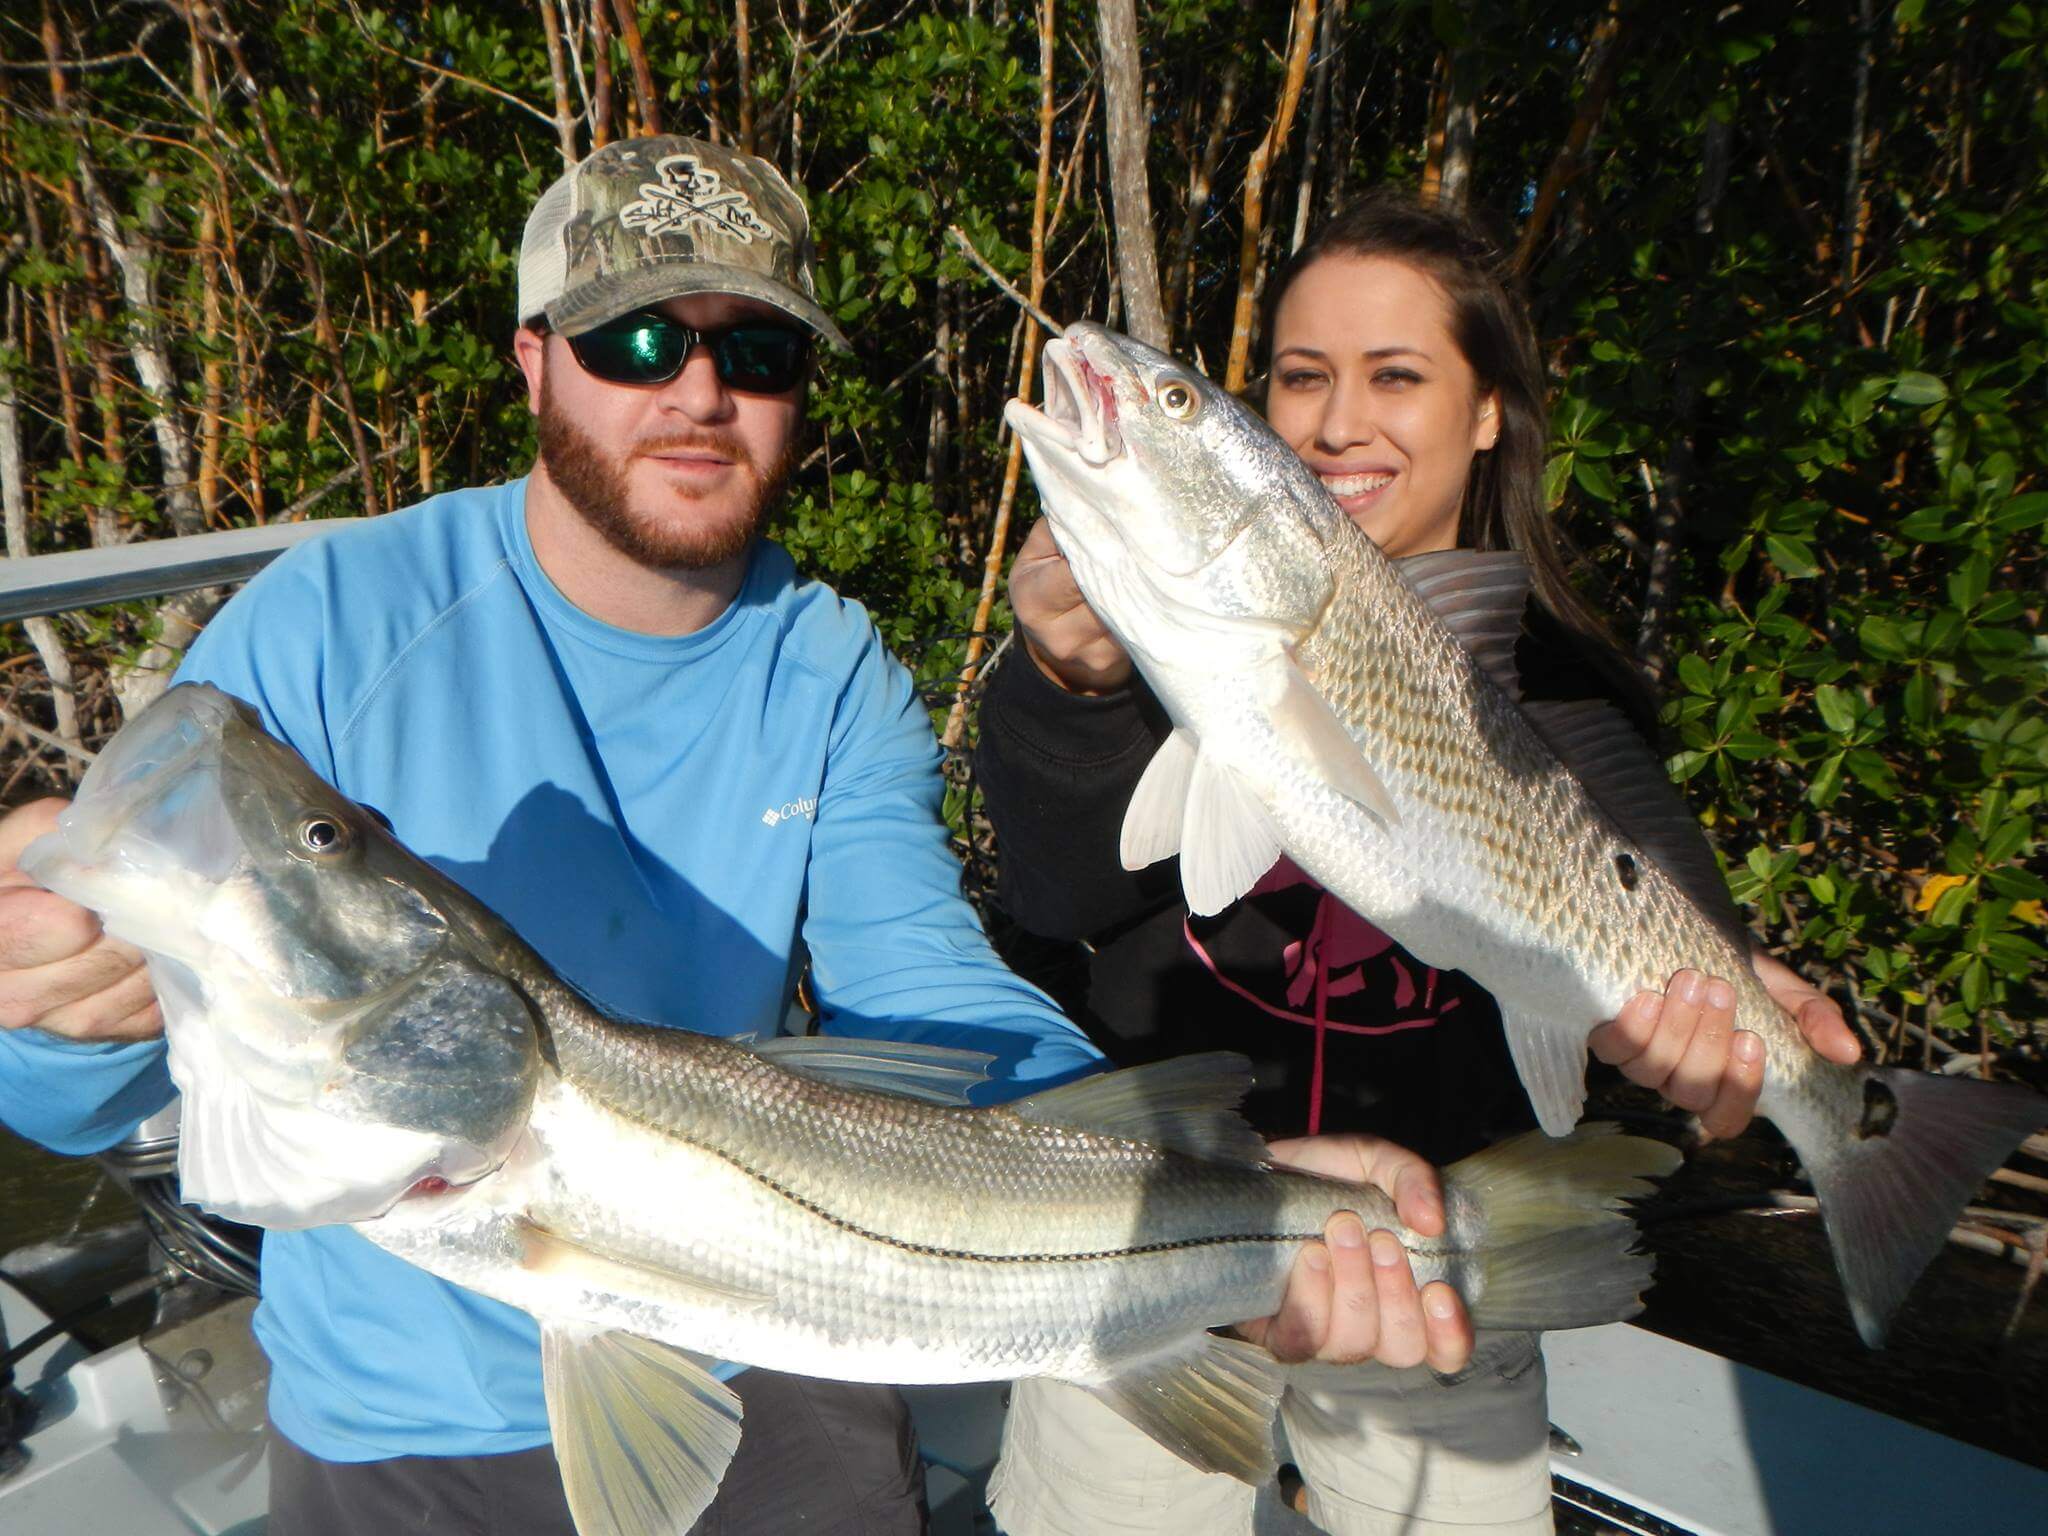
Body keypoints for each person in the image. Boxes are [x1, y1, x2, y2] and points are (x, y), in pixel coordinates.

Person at [0, 140, 1471, 1536]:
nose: (698, 392)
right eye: (634, 340)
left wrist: (1179, 1170)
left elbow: (923, 983)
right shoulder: (324, 631)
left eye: (754, 351)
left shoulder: (831, 664)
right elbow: (75, 1098)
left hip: (785, 1329)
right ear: (532, 361)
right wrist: (49, 1015)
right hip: (401, 1417)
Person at [975, 189, 1864, 1536]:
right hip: (1155, 1259)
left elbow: (1662, 922)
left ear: (1490, 410)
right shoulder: (1150, 639)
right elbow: (1057, 899)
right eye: (1299, 378)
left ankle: (1864, 1150)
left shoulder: (1565, 700)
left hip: (1439, 1274)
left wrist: (1728, 1009)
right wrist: (1067, 684)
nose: (1338, 422)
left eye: (1396, 376)